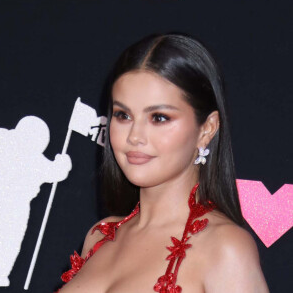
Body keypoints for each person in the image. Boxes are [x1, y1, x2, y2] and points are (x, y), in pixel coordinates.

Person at [56, 32, 269, 292]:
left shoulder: (225, 248)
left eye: (158, 118)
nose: (134, 136)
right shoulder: (99, 235)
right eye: (123, 115)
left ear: (207, 129)